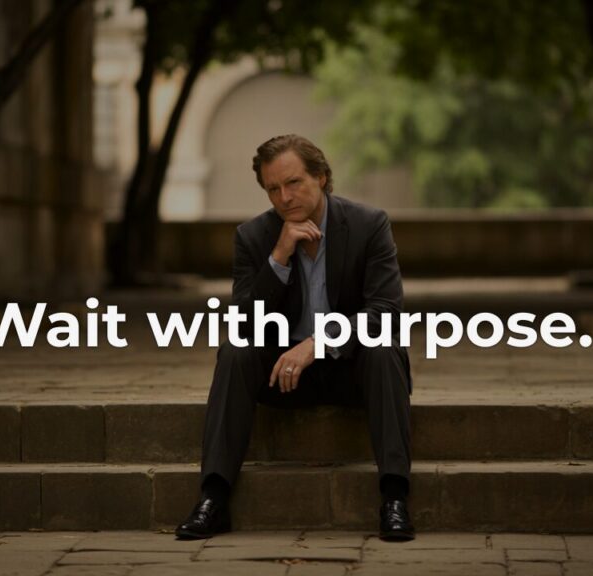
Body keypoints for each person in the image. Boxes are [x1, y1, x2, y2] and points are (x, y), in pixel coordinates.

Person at [175, 134, 414, 541]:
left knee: (383, 348)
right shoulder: (253, 237)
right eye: (273, 189)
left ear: (321, 176)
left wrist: (317, 343)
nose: (284, 198)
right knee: (235, 351)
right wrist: (279, 257)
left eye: (294, 183)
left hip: (352, 371)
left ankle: (395, 498)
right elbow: (247, 325)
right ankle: (213, 498)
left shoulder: (368, 225)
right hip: (284, 377)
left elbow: (385, 312)